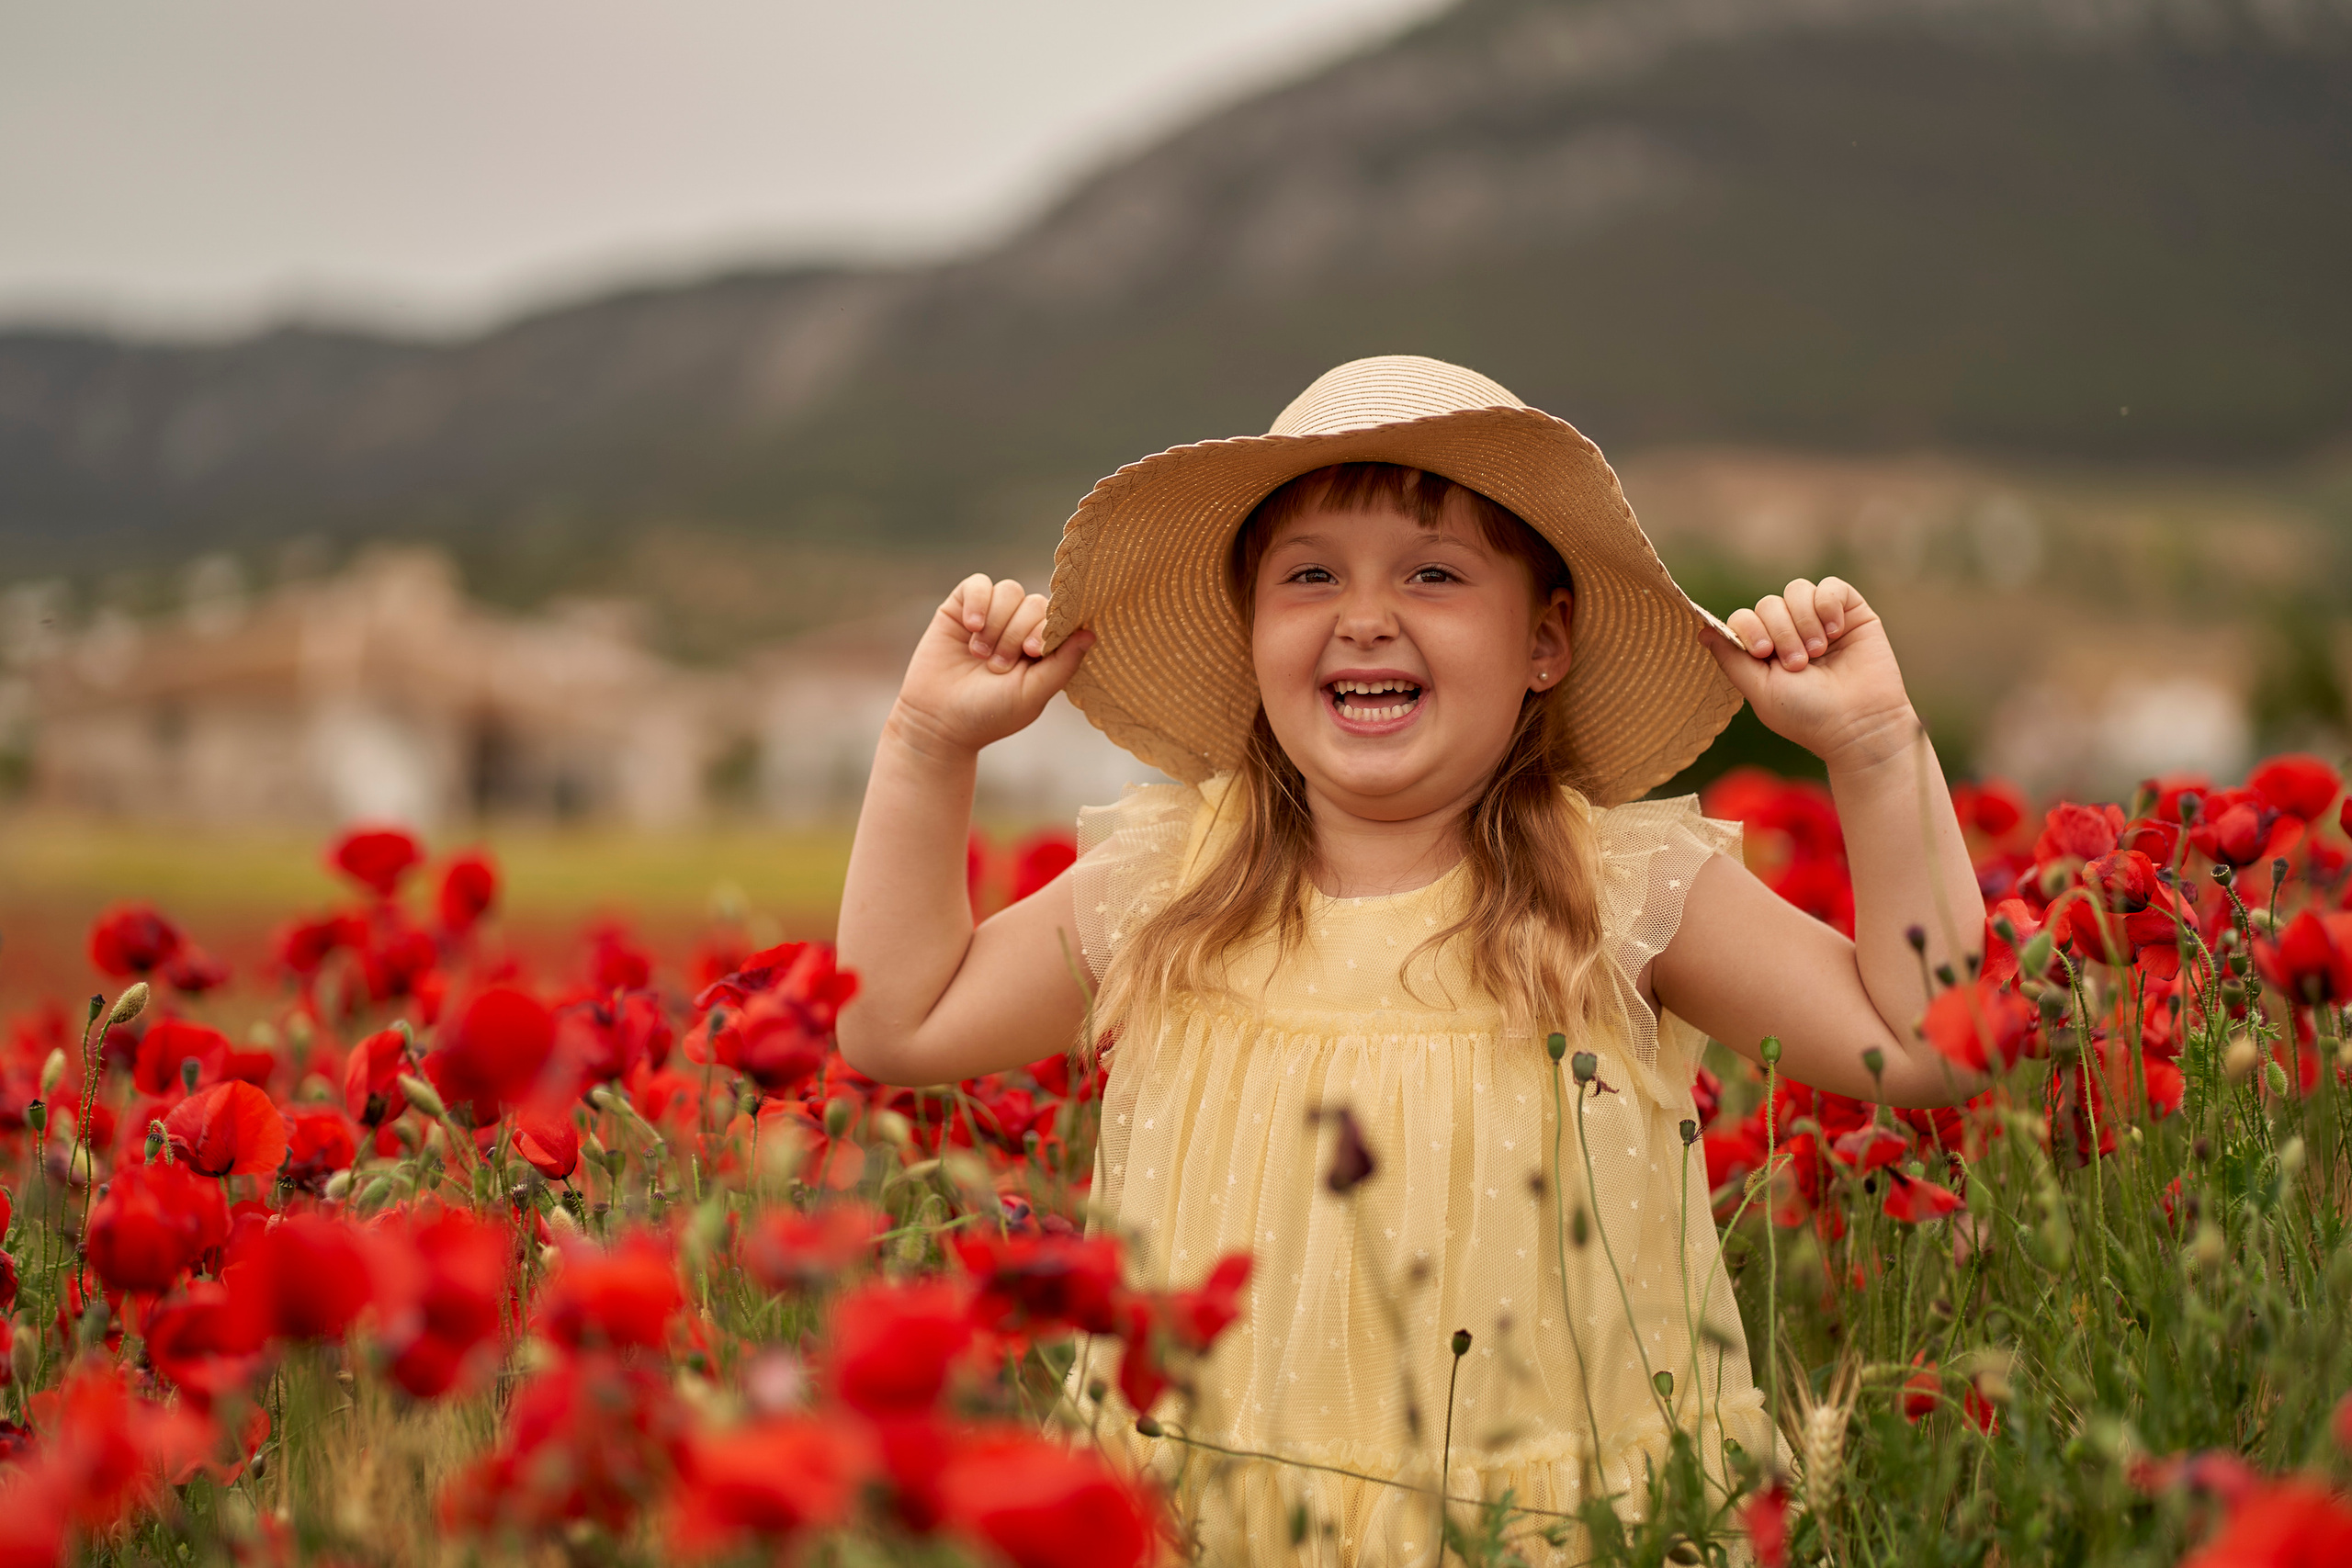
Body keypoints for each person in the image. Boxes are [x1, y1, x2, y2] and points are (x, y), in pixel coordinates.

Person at [836, 355, 1989, 1564]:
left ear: (1545, 640)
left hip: (1551, 1532)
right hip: (1221, 1525)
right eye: (1310, 575)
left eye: (1433, 573)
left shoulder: (1622, 894)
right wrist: (927, 743)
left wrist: (1874, 747)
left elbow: (1932, 1048)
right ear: (1251, 632)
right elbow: (897, 1023)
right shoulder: (1172, 887)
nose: (1365, 615)